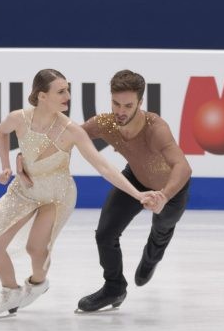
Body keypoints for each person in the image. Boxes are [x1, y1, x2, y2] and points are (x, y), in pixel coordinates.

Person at [0, 69, 160, 320]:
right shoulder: (18, 119)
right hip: (24, 190)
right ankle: (11, 292)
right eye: (61, 91)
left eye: (68, 89)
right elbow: (1, 131)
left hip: (57, 195)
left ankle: (37, 284)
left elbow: (103, 166)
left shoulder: (71, 130)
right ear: (41, 96)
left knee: (35, 248)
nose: (68, 95)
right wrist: (6, 164)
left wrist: (137, 194)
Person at [20, 70, 192, 312]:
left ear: (140, 103)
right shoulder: (107, 123)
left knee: (161, 230)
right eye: (116, 103)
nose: (120, 111)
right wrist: (25, 157)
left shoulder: (156, 128)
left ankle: (152, 256)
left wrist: (164, 196)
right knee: (105, 234)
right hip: (135, 180)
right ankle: (114, 288)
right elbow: (66, 137)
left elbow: (182, 166)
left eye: (128, 105)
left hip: (171, 190)